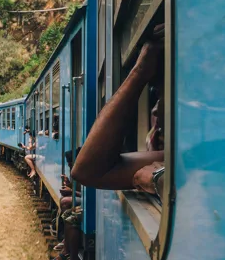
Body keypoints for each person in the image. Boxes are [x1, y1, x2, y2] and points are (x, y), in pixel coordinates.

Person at [71, 25, 165, 194]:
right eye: (157, 94)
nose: (155, 110)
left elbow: (88, 172)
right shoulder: (183, 157)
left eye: (163, 94)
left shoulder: (191, 158)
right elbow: (87, 171)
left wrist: (139, 72)